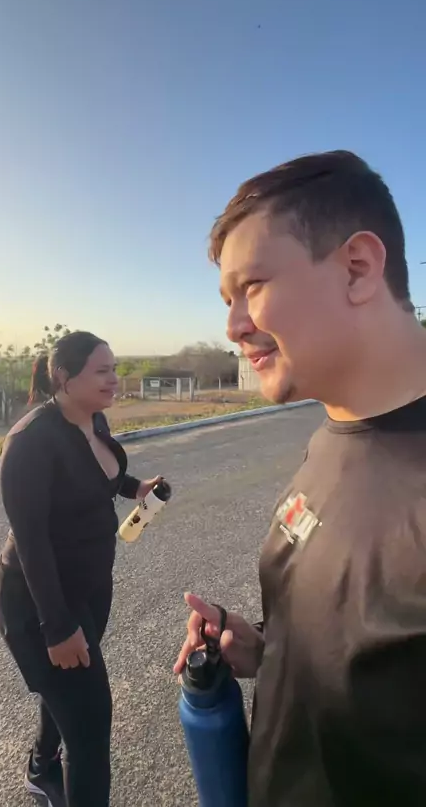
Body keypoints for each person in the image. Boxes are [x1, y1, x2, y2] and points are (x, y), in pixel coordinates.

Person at [174, 151, 426, 806]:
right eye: (227, 301)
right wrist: (270, 651)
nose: (233, 327)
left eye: (252, 286)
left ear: (357, 267)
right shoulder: (333, 433)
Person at [0, 331, 163, 807]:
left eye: (115, 369)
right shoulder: (29, 442)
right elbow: (32, 543)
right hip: (40, 603)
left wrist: (135, 488)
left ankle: (40, 766)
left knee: (68, 696)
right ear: (64, 377)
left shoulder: (93, 419)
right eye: (102, 371)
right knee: (90, 727)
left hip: (89, 589)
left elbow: (98, 475)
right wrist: (58, 626)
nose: (115, 379)